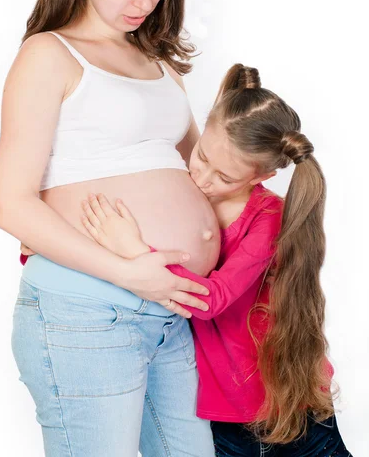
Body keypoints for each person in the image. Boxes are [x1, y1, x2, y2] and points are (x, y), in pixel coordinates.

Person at [0, 0, 220, 457]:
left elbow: (201, 172)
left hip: (171, 314)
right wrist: (130, 271)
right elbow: (10, 205)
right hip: (89, 311)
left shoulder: (159, 61)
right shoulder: (50, 55)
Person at [81, 64, 352, 456]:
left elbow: (211, 300)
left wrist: (136, 254)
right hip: (225, 414)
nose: (203, 178)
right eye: (201, 156)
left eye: (224, 177)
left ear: (265, 174)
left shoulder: (268, 219)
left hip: (288, 405)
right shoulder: (185, 191)